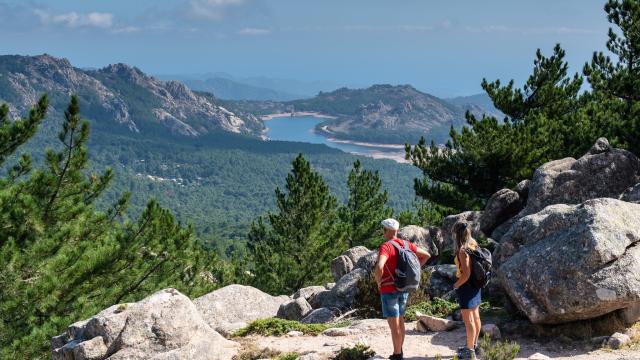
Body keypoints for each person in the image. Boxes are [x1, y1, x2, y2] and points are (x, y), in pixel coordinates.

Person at [374, 218, 431, 360]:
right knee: (400, 321)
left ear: (385, 231)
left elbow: (380, 266)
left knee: (394, 326)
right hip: (404, 287)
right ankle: (400, 351)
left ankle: (397, 354)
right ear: (397, 231)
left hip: (388, 289)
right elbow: (427, 255)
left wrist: (378, 282)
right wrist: (413, 271)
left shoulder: (386, 246)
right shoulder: (406, 244)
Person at [452, 223, 482, 360]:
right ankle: (475, 346)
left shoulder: (462, 251)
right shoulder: (473, 244)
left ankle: (469, 352)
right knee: (475, 317)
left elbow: (466, 274)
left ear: (456, 235)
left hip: (466, 286)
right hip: (476, 284)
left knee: (468, 320)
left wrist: (456, 285)